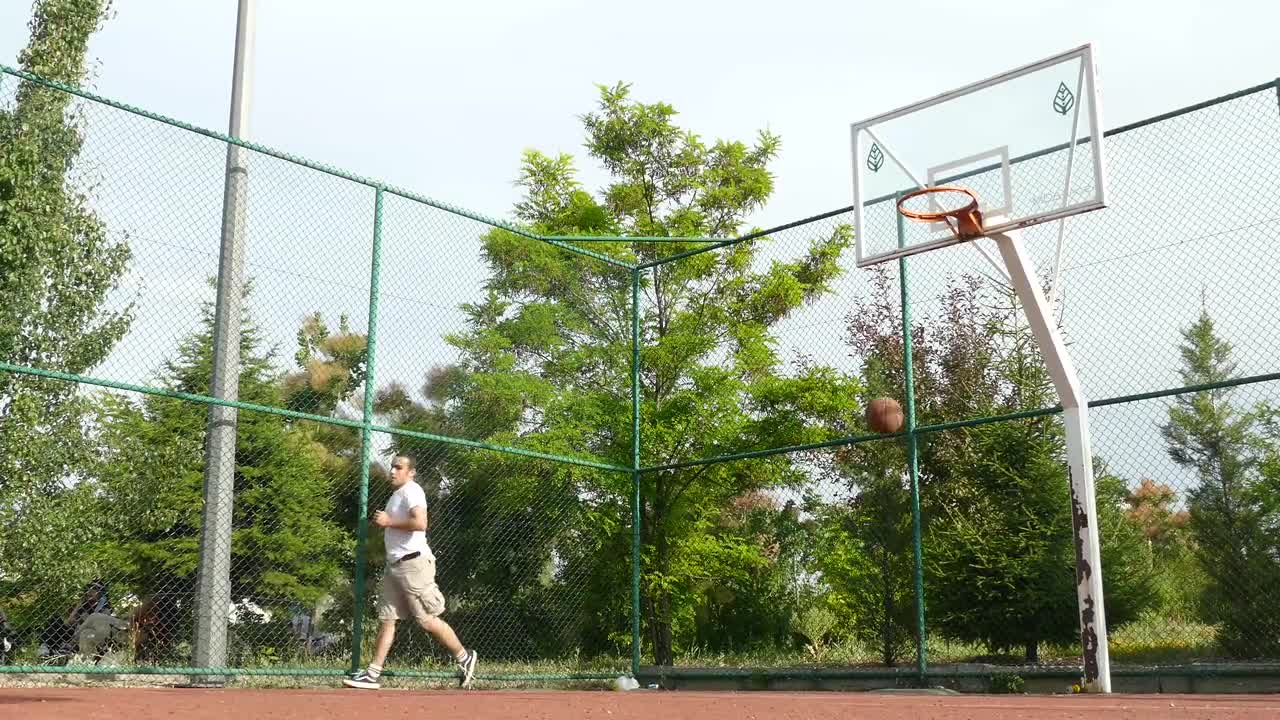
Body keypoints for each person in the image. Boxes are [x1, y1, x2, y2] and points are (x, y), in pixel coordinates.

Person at [344, 455, 477, 690]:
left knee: (427, 621)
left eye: (399, 467)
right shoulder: (397, 495)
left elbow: (421, 523)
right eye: (392, 467)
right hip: (394, 566)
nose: (393, 471)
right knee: (387, 619)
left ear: (411, 472)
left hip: (414, 564)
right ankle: (373, 674)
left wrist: (388, 521)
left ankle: (465, 658)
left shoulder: (412, 491)